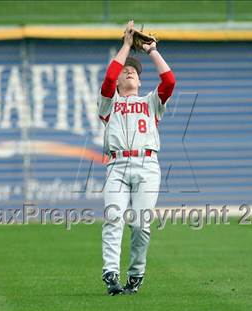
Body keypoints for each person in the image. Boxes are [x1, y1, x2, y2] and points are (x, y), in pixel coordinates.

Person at [98, 20, 176, 296]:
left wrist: (152, 50)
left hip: (147, 165)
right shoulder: (109, 103)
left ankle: (136, 275)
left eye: (135, 71)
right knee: (113, 218)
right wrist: (127, 45)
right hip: (117, 166)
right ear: (119, 79)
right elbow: (108, 79)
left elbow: (169, 81)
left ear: (140, 81)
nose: (130, 72)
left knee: (141, 224)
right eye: (125, 71)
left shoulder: (151, 102)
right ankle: (110, 274)